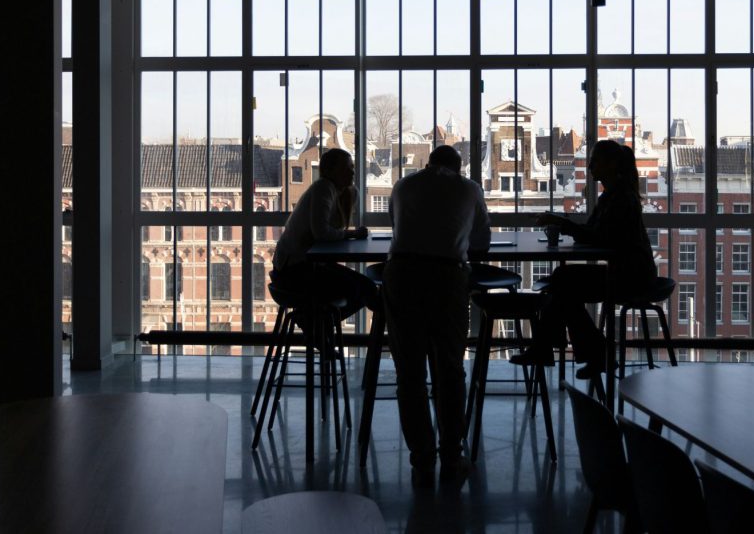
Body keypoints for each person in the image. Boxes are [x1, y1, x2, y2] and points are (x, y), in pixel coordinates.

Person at [384, 144, 491, 489]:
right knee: (449, 370)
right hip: (446, 278)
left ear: (428, 163)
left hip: (401, 275)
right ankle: (450, 456)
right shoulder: (470, 189)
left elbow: (396, 225)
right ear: (458, 168)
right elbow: (481, 243)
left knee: (409, 373)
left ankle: (422, 459)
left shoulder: (403, 185)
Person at [512, 139, 658, 379]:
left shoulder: (619, 199)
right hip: (630, 271)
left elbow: (600, 238)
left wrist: (562, 224)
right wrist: (568, 226)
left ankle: (556, 349)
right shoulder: (613, 196)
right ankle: (583, 351)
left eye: (595, 161)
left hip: (630, 276)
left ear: (610, 165)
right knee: (563, 284)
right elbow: (597, 235)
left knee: (563, 282)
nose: (590, 166)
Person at [272, 148, 376, 312]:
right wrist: (353, 234)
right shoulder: (323, 188)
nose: (352, 172)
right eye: (346, 168)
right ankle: (316, 322)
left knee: (363, 288)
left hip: (296, 266)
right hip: (295, 270)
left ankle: (318, 323)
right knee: (364, 289)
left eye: (352, 167)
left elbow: (325, 233)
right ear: (329, 171)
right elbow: (322, 233)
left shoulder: (339, 191)